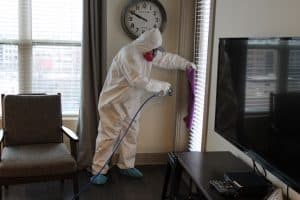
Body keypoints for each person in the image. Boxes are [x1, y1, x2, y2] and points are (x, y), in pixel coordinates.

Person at [91, 28, 196, 185]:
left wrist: (186, 65)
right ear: (146, 44)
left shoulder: (149, 51)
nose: (154, 54)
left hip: (131, 102)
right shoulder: (128, 53)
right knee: (108, 137)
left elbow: (166, 59)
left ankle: (126, 165)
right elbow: (137, 80)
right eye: (153, 50)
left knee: (131, 134)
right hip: (113, 102)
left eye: (155, 50)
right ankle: (98, 170)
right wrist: (163, 86)